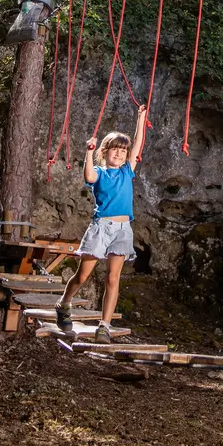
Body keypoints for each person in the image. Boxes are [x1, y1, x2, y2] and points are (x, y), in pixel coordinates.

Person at [58, 105, 147, 343]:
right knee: (83, 275)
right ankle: (64, 303)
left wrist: (141, 117)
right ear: (105, 151)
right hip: (100, 228)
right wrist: (88, 152)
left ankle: (104, 326)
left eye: (123, 151)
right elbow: (88, 177)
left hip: (123, 229)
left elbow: (138, 144)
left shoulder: (128, 171)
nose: (119, 154)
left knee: (113, 278)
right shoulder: (99, 172)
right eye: (115, 150)